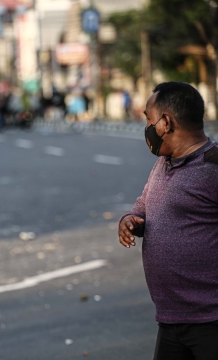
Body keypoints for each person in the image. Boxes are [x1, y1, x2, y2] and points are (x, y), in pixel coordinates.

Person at [118, 82, 218, 360]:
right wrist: (130, 220)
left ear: (165, 123)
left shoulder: (214, 166)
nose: (147, 128)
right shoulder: (163, 163)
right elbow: (143, 206)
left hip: (211, 321)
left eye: (149, 119)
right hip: (171, 320)